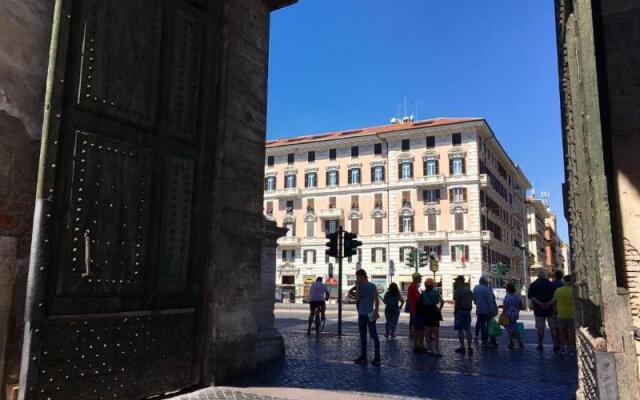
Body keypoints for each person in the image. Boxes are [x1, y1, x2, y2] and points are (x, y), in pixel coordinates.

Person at [349, 269, 381, 366]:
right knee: (363, 336)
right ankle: (363, 356)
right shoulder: (360, 286)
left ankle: (377, 357)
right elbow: (357, 298)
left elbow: (376, 300)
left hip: (369, 313)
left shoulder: (371, 286)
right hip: (362, 314)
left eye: (358, 277)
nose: (357, 279)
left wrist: (376, 311)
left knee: (373, 335)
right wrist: (357, 287)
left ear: (362, 276)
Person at [528, 270, 560, 351]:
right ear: (545, 276)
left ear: (538, 276)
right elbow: (555, 297)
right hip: (550, 309)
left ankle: (540, 345)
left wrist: (540, 303)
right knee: (553, 328)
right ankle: (556, 345)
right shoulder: (551, 284)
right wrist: (549, 303)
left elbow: (531, 296)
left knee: (540, 328)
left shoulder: (533, 285)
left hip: (538, 309)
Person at [552, 274, 576, 355]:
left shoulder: (558, 290)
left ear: (564, 281)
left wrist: (554, 312)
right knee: (571, 332)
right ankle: (571, 349)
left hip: (561, 314)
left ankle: (562, 348)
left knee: (562, 333)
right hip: (572, 314)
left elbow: (554, 302)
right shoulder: (574, 290)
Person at [421, 278, 445, 357]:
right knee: (436, 332)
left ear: (425, 285)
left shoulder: (423, 294)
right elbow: (442, 301)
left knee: (427, 332)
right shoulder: (435, 293)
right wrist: (439, 309)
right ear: (432, 285)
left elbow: (421, 303)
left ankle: (429, 349)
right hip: (434, 312)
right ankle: (436, 350)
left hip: (426, 312)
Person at [473, 276, 497, 347]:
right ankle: (489, 341)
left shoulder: (475, 288)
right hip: (487, 310)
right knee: (489, 326)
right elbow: (490, 301)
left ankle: (484, 341)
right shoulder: (487, 290)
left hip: (479, 310)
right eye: (487, 282)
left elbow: (474, 299)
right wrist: (492, 310)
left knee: (482, 326)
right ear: (485, 282)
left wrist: (478, 304)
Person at [453, 275, 474, 354]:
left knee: (460, 329)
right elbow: (471, 300)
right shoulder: (468, 290)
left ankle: (462, 347)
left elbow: (457, 302)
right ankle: (469, 347)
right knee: (468, 329)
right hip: (468, 311)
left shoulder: (458, 290)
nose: (455, 282)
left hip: (460, 311)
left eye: (456, 281)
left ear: (460, 281)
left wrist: (455, 312)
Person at [501, 283, 524, 349]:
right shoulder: (517, 296)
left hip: (508, 314)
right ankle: (519, 342)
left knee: (510, 329)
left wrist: (503, 312)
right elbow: (521, 305)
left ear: (507, 289)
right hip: (515, 314)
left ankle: (512, 342)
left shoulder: (507, 296)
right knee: (515, 327)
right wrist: (517, 310)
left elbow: (505, 306)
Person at [407, 273, 424, 351]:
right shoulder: (413, 287)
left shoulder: (414, 287)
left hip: (415, 310)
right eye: (420, 277)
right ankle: (418, 346)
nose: (421, 279)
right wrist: (422, 296)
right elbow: (416, 298)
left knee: (417, 328)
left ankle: (417, 345)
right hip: (416, 310)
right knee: (419, 329)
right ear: (416, 278)